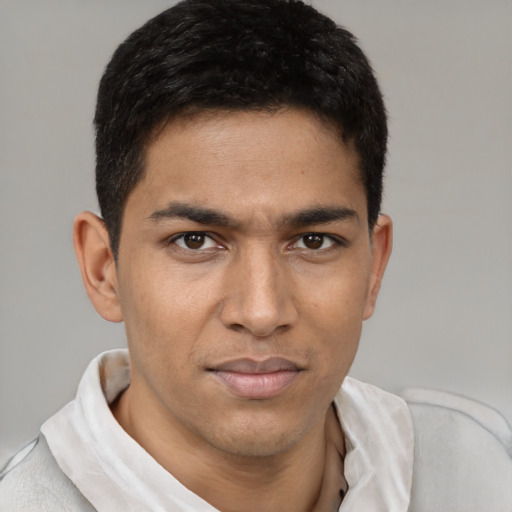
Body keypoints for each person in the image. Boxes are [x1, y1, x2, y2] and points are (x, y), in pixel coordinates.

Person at [1, 1, 511, 511]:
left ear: (374, 267)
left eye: (314, 241)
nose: (262, 312)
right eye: (195, 241)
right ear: (103, 268)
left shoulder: (479, 473)